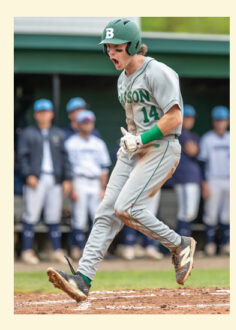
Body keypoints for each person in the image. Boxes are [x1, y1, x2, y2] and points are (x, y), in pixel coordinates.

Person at [46, 18, 196, 303]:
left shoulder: (159, 71)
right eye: (108, 48)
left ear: (134, 45)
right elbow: (133, 119)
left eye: (117, 47)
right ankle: (83, 279)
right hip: (134, 149)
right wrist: (131, 140)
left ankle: (180, 244)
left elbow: (175, 117)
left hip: (162, 146)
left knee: (126, 207)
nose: (111, 53)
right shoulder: (123, 79)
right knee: (107, 211)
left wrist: (140, 139)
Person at [17, 98, 72, 265]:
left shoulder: (59, 133)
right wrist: (28, 175)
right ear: (35, 115)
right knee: (31, 214)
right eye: (40, 112)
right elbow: (22, 157)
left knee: (53, 215)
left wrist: (67, 178)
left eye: (46, 112)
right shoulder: (28, 133)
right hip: (36, 178)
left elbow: (65, 159)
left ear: (51, 114)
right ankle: (27, 250)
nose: (43, 115)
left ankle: (55, 250)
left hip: (54, 179)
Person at [64, 110, 111, 260]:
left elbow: (104, 168)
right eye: (84, 122)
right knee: (79, 216)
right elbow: (68, 167)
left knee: (97, 216)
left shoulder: (98, 143)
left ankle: (95, 250)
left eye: (89, 122)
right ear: (77, 124)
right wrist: (71, 186)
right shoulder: (71, 142)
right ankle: (78, 248)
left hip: (95, 181)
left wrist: (103, 188)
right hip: (79, 180)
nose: (87, 125)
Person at [169, 104, 202, 250]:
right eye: (186, 117)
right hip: (184, 178)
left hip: (189, 178)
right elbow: (193, 150)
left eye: (190, 117)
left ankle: (182, 245)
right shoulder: (180, 133)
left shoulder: (191, 134)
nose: (188, 120)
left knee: (187, 212)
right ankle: (182, 245)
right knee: (186, 212)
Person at [198, 106, 231, 256]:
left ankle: (225, 244)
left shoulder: (232, 137)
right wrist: (204, 183)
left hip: (229, 179)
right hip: (213, 179)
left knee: (227, 214)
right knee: (211, 213)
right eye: (218, 121)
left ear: (227, 121)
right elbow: (202, 163)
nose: (220, 123)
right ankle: (210, 244)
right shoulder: (207, 138)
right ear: (213, 122)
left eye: (223, 120)